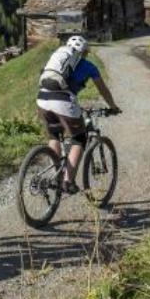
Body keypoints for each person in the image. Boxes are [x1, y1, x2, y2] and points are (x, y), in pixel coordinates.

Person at [36, 35, 121, 193]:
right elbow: (103, 90)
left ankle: (56, 176)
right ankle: (67, 181)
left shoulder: (57, 59)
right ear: (84, 52)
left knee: (55, 136)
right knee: (79, 138)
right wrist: (113, 106)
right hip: (62, 100)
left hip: (42, 98)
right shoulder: (89, 66)